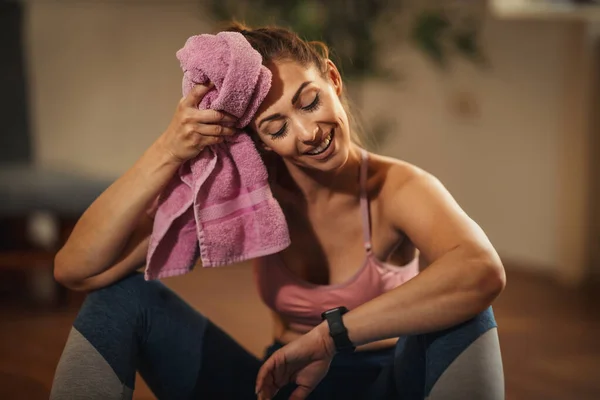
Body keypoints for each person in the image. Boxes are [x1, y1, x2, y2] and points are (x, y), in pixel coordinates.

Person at [50, 22, 506, 400]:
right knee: (122, 298)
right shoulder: (249, 198)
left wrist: (330, 335)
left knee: (466, 304)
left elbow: (482, 270)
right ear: (259, 143)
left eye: (309, 101)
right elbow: (76, 269)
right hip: (283, 389)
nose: (308, 133)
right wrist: (168, 150)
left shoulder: (398, 187)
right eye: (277, 126)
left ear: (333, 79)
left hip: (385, 386)